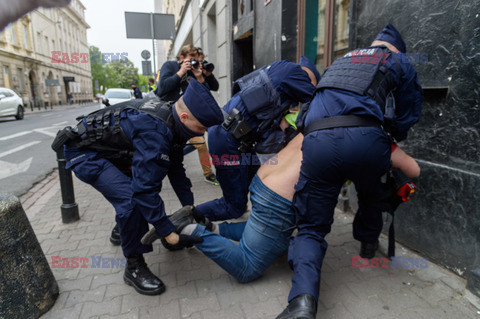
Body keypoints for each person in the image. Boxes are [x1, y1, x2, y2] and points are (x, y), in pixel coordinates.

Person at [276, 23, 423, 319]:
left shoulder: (340, 60)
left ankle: (302, 303)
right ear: (396, 48)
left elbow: (308, 108)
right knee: (371, 189)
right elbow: (408, 111)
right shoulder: (396, 60)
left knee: (311, 228)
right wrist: (390, 135)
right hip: (366, 140)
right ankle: (368, 244)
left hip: (317, 141)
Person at [141, 134, 420, 284]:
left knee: (272, 235)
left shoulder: (322, 115)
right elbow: (414, 170)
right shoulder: (374, 139)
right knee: (248, 268)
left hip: (263, 180)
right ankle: (191, 229)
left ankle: (213, 226)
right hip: (279, 200)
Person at [52, 79, 224, 296]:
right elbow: (144, 191)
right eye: (201, 128)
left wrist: (190, 210)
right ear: (184, 117)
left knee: (137, 190)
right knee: (132, 201)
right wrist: (168, 232)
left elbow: (177, 171)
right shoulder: (155, 132)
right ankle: (133, 267)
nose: (203, 133)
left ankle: (122, 230)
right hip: (86, 154)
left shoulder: (172, 121)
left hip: (113, 151)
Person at [193, 56, 321, 223]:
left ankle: (261, 223)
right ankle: (184, 220)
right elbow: (318, 103)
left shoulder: (278, 68)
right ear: (310, 78)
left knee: (259, 181)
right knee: (233, 206)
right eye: (311, 84)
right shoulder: (296, 73)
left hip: (232, 135)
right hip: (229, 140)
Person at [157, 44, 219, 185]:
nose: (193, 63)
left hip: (187, 117)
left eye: (195, 60)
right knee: (170, 147)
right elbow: (162, 90)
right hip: (169, 115)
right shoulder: (170, 66)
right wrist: (181, 72)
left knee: (201, 143)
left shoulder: (194, 72)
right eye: (191, 60)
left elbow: (206, 94)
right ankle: (165, 159)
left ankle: (208, 174)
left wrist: (200, 77)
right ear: (182, 58)